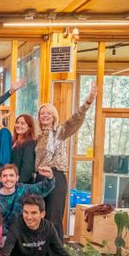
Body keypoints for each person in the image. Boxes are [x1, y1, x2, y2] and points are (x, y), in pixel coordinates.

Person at [35, 83, 96, 239]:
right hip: (39, 179)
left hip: (56, 177)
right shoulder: (37, 136)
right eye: (42, 113)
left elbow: (75, 120)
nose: (45, 116)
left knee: (54, 217)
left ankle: (56, 251)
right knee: (39, 217)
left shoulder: (60, 132)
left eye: (48, 113)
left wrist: (88, 102)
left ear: (54, 116)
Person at [0, 164, 55, 233]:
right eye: (4, 176)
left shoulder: (23, 189)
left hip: (23, 233)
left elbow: (43, 188)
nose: (8, 178)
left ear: (17, 178)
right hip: (3, 235)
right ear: (0, 179)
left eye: (11, 175)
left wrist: (50, 176)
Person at [11, 114, 37, 184]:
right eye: (17, 122)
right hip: (10, 181)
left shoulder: (30, 142)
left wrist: (18, 184)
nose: (19, 125)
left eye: (22, 123)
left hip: (20, 183)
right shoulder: (13, 141)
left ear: (29, 127)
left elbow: (27, 167)